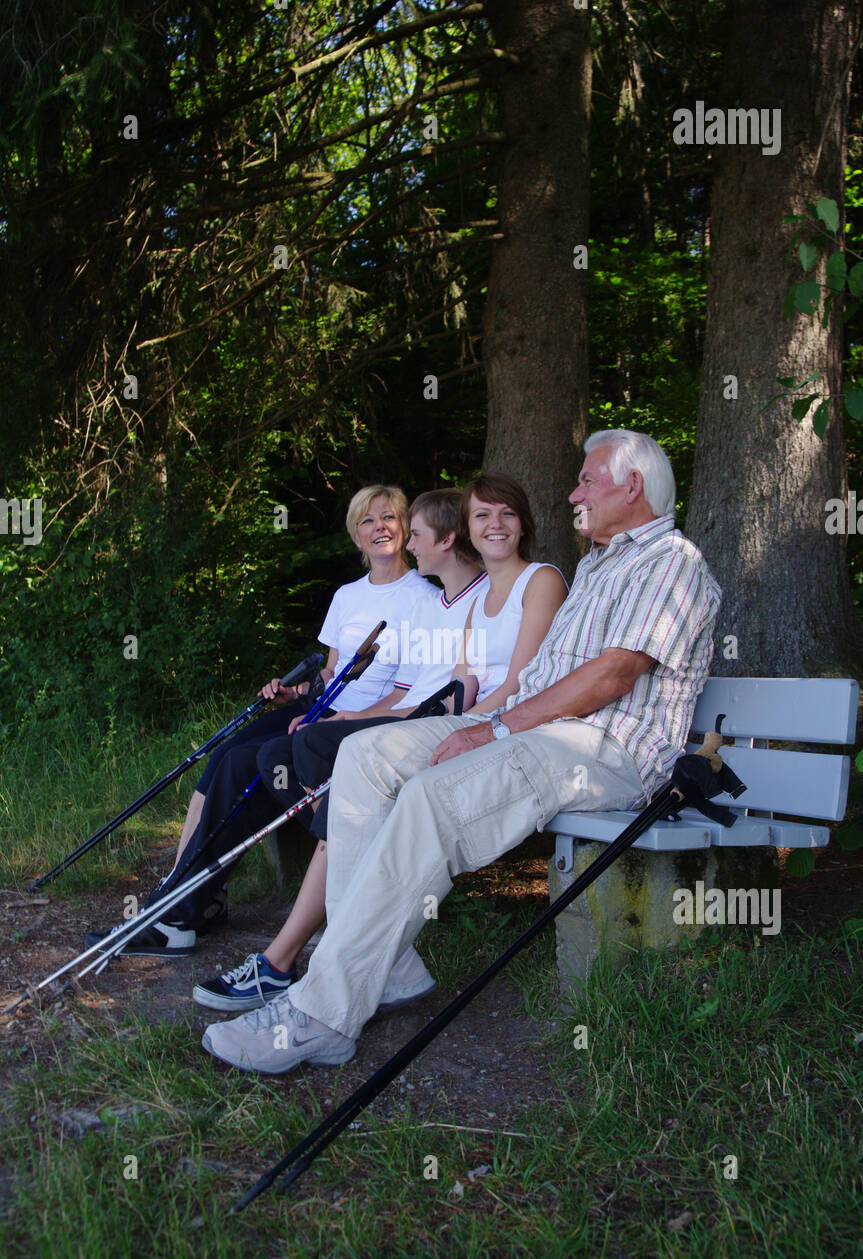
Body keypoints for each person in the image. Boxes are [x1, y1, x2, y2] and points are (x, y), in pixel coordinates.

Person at [202, 430, 722, 1074]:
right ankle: (385, 966)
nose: (573, 492)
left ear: (632, 486)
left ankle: (322, 1014)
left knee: (428, 797)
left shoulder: (671, 563)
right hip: (538, 727)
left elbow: (611, 678)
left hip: (605, 748)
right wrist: (491, 719)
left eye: (587, 481)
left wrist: (497, 729)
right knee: (364, 756)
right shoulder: (601, 563)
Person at [191, 477, 564, 1011]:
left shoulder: (531, 582)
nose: (493, 526)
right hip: (455, 721)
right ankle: (340, 943)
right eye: (483, 517)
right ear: (468, 532)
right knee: (293, 758)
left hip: (501, 733)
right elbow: (459, 683)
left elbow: (514, 688)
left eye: (504, 514)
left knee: (331, 760)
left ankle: (293, 956)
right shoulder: (466, 601)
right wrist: (406, 714)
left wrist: (445, 722)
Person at [86, 484, 435, 958]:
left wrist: (348, 715)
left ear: (406, 528)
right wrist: (295, 693)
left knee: (251, 764)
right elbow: (330, 671)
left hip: (357, 720)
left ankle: (179, 912)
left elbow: (407, 692)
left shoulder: (422, 598)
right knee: (228, 757)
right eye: (368, 521)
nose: (380, 528)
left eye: (389, 518)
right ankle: (186, 901)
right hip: (320, 707)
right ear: (356, 534)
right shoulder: (347, 596)